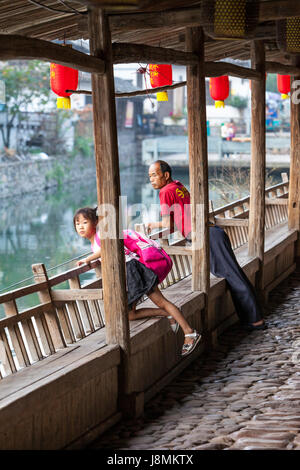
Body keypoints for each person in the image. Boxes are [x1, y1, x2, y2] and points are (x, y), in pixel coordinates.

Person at [146, 160, 266, 331]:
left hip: (207, 236)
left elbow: (166, 224)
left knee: (233, 276)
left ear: (165, 175)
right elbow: (174, 224)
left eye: (154, 175)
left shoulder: (165, 191)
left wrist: (152, 225)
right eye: (149, 176)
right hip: (211, 232)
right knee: (234, 274)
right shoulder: (178, 186)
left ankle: (255, 321)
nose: (151, 179)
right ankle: (253, 318)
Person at [73, 206, 202, 357]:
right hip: (130, 273)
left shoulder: (101, 236)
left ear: (95, 222)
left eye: (84, 222)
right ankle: (167, 314)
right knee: (129, 314)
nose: (80, 226)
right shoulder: (95, 241)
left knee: (161, 301)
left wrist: (87, 259)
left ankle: (189, 333)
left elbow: (107, 248)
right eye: (77, 223)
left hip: (133, 271)